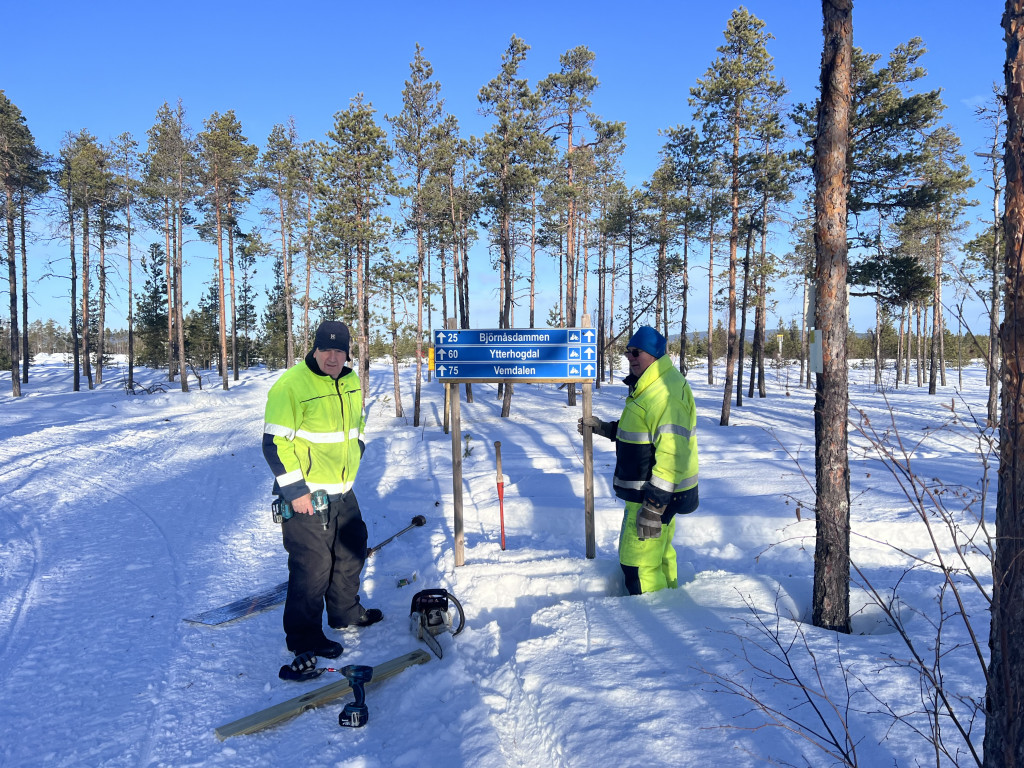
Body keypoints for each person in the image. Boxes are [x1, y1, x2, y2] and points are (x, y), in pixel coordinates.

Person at [262, 320, 382, 659]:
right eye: (326, 349)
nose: (332, 357)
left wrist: (357, 446)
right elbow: (274, 444)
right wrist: (295, 491)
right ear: (314, 349)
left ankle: (344, 613)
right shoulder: (291, 385)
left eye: (339, 350)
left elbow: (357, 422)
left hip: (342, 490)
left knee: (352, 552)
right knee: (312, 565)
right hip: (307, 494)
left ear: (347, 353)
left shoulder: (351, 380)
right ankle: (304, 637)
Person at [579, 326, 699, 595]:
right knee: (660, 555)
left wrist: (654, 507)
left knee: (638, 564)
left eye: (636, 353)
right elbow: (643, 431)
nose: (631, 358)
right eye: (628, 352)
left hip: (652, 496)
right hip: (654, 494)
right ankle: (672, 603)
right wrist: (606, 429)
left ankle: (653, 616)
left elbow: (672, 453)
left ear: (655, 354)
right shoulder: (651, 385)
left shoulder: (665, 393)